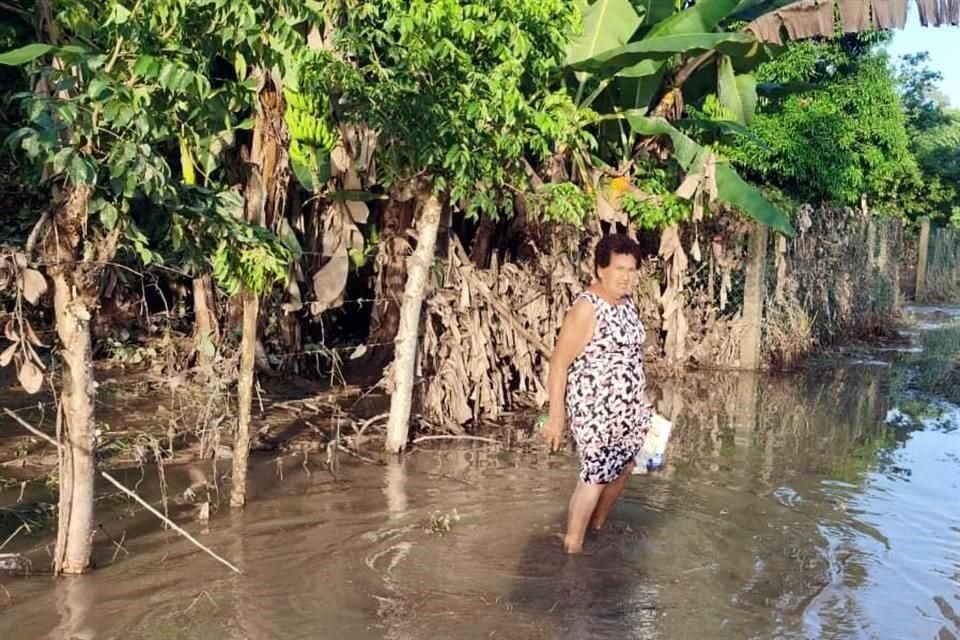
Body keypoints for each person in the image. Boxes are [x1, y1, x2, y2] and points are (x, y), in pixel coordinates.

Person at [541, 233, 652, 554]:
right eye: (619, 269)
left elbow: (630, 356)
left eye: (632, 270)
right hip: (596, 411)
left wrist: (642, 400)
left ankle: (597, 527)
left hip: (630, 409)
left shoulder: (628, 303)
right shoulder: (588, 308)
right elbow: (559, 364)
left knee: (626, 466)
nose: (626, 276)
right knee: (595, 475)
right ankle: (572, 546)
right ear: (601, 269)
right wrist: (556, 419)